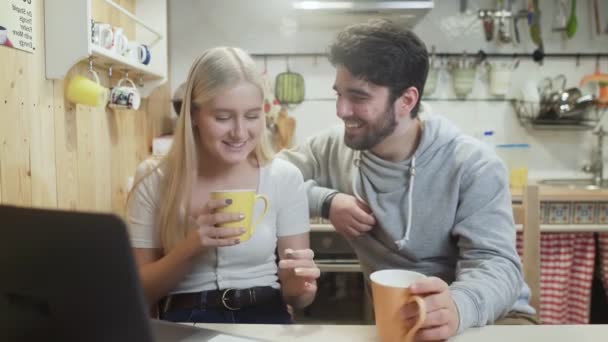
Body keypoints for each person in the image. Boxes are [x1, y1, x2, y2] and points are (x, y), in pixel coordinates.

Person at [278, 20, 536, 340]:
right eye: (339, 94)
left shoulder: (473, 164)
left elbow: (498, 265)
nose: (342, 110)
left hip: (490, 318)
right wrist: (326, 201)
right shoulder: (335, 146)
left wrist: (458, 307)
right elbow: (266, 180)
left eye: (358, 96)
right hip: (403, 322)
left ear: (407, 100)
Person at [127, 47, 319, 324]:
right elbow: (138, 293)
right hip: (185, 319)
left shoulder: (284, 177)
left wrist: (303, 286)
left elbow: (295, 296)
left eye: (252, 116)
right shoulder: (153, 178)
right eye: (223, 117)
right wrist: (192, 245)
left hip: (265, 313)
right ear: (193, 114)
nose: (240, 132)